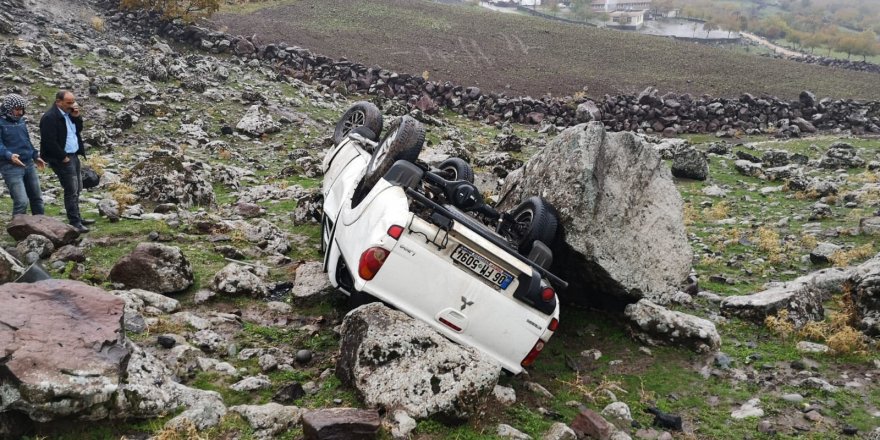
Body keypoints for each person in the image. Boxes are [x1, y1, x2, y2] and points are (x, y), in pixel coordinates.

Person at [40, 90, 92, 233]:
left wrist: (77, 117)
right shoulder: (50, 117)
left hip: (73, 155)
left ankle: (78, 217)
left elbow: (78, 130)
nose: (72, 105)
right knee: (71, 189)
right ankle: (74, 222)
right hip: (62, 158)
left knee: (77, 188)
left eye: (73, 102)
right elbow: (48, 141)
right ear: (58, 102)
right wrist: (63, 157)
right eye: (69, 103)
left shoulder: (69, 114)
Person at [0, 94, 46, 217]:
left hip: (28, 164)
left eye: (22, 109)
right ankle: (18, 231)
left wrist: (35, 155)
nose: (20, 113)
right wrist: (9, 156)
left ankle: (41, 226)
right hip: (10, 167)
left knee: (37, 198)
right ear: (8, 108)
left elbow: (26, 141)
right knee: (21, 201)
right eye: (17, 109)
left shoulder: (21, 122)